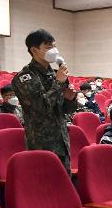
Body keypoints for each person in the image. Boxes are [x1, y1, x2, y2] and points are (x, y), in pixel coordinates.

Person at [12, 29, 77, 173]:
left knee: (64, 185)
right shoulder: (25, 77)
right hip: (42, 142)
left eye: (54, 46)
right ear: (34, 50)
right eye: (48, 47)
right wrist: (59, 83)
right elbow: (40, 107)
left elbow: (66, 110)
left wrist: (70, 99)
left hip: (62, 140)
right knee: (45, 186)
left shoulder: (55, 74)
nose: (54, 50)